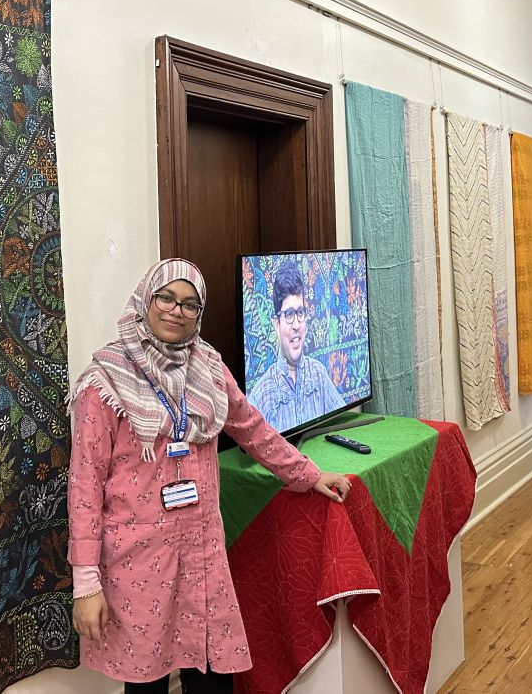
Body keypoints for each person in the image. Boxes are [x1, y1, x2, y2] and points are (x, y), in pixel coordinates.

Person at [68, 258, 351, 693]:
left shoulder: (209, 369)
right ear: (147, 298)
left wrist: (308, 474)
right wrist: (86, 585)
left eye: (189, 304)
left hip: (202, 554)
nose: (175, 311)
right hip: (137, 560)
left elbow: (252, 428)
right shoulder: (105, 381)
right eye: (166, 297)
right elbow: (84, 487)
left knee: (213, 673)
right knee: (147, 681)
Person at [250, 261, 346, 431]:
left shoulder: (319, 374)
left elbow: (343, 422)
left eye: (300, 313)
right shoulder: (261, 396)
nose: (296, 325)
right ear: (276, 323)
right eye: (288, 315)